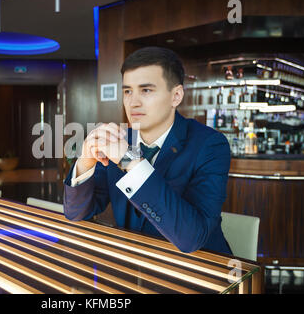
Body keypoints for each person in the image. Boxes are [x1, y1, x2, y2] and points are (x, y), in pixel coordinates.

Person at [63, 46, 232, 255]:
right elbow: (76, 214)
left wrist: (128, 160)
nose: (133, 102)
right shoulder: (119, 138)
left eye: (146, 90)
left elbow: (191, 238)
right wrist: (85, 162)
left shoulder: (210, 144)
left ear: (176, 96)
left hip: (200, 271)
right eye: (127, 91)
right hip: (136, 266)